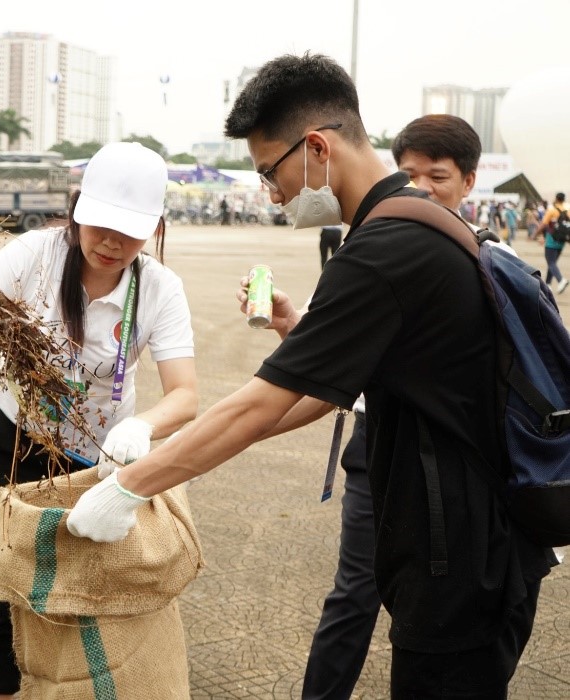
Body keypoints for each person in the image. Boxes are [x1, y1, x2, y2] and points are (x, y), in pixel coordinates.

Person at [67, 54, 557, 698]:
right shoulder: (407, 225)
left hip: (462, 555)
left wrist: (131, 485)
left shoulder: (385, 250)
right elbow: (317, 396)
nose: (271, 194)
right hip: (470, 543)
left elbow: (260, 405)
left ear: (317, 148)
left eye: (271, 173)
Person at [0, 141, 199, 699]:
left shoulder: (161, 289)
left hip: (101, 460)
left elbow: (185, 394)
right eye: (100, 226)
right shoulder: (35, 256)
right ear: (76, 212)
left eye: (131, 231)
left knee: (82, 594)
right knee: (1, 591)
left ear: (155, 227)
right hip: (16, 444)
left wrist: (142, 426)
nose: (113, 243)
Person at [301, 112, 491, 700]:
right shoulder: (374, 247)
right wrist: (293, 329)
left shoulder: (481, 261)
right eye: (410, 174)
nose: (424, 187)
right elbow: (341, 366)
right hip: (377, 450)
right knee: (354, 593)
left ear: (469, 181)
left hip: (455, 477)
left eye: (438, 175)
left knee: (443, 632)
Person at [538, 192, 569, 293]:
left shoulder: (552, 210)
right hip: (562, 241)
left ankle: (561, 280)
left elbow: (543, 224)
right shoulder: (567, 211)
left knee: (551, 262)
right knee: (552, 263)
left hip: (551, 240)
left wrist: (534, 234)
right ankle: (548, 285)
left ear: (556, 198)